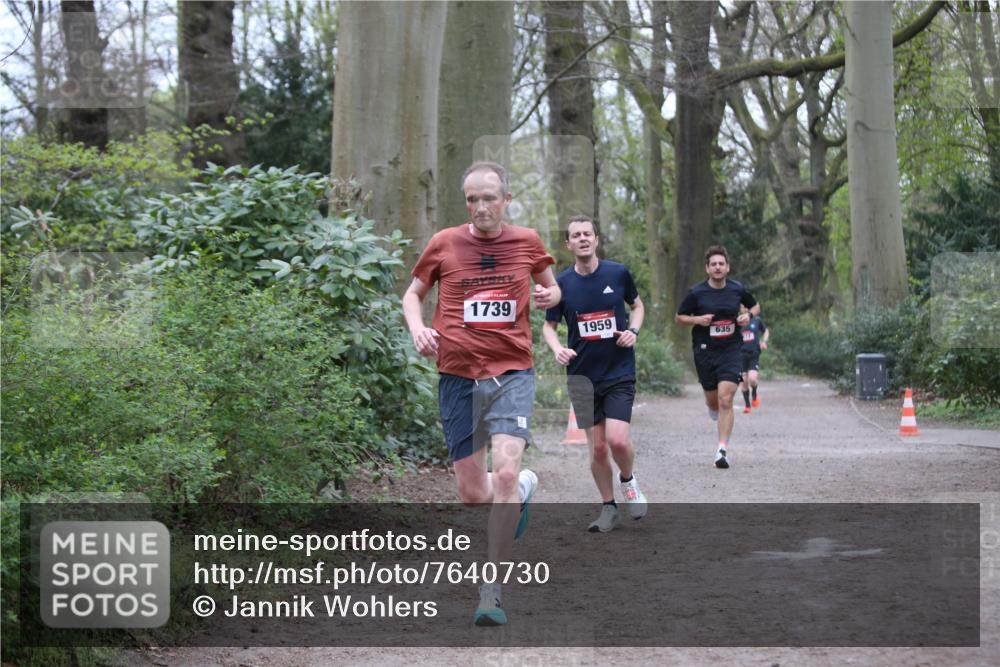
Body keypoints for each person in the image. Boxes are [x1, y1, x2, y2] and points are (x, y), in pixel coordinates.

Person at [402, 161, 561, 627]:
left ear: (506, 200)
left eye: (489, 197)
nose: (481, 206)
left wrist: (549, 297)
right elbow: (412, 295)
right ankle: (523, 487)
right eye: (472, 199)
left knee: (504, 474)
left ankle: (491, 587)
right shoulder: (444, 243)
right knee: (473, 494)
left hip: (512, 372)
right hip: (457, 376)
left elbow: (552, 289)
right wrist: (417, 329)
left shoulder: (527, 242)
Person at [542, 216, 648, 533]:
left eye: (587, 233)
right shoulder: (561, 284)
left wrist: (633, 331)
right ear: (569, 244)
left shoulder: (618, 273)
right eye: (576, 235)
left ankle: (628, 481)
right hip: (582, 376)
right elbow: (549, 326)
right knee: (598, 448)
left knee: (617, 440)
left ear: (596, 239)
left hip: (618, 370)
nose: (583, 239)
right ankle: (608, 508)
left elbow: (637, 306)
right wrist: (557, 348)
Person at [675, 246, 760, 469]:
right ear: (707, 268)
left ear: (727, 267)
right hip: (705, 351)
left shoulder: (737, 289)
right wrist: (697, 320)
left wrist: (748, 315)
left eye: (721, 263)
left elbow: (755, 306)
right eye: (713, 264)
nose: (718, 267)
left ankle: (722, 450)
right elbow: (679, 317)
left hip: (731, 350)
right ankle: (712, 408)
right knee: (713, 401)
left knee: (726, 399)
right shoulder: (696, 293)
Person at [738, 305, 769, 413]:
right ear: (740, 309)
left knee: (752, 379)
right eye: (743, 307)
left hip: (753, 354)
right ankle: (747, 406)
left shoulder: (756, 320)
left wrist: (764, 342)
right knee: (743, 382)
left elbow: (766, 331)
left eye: (748, 307)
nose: (746, 309)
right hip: (740, 356)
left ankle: (754, 393)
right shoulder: (737, 322)